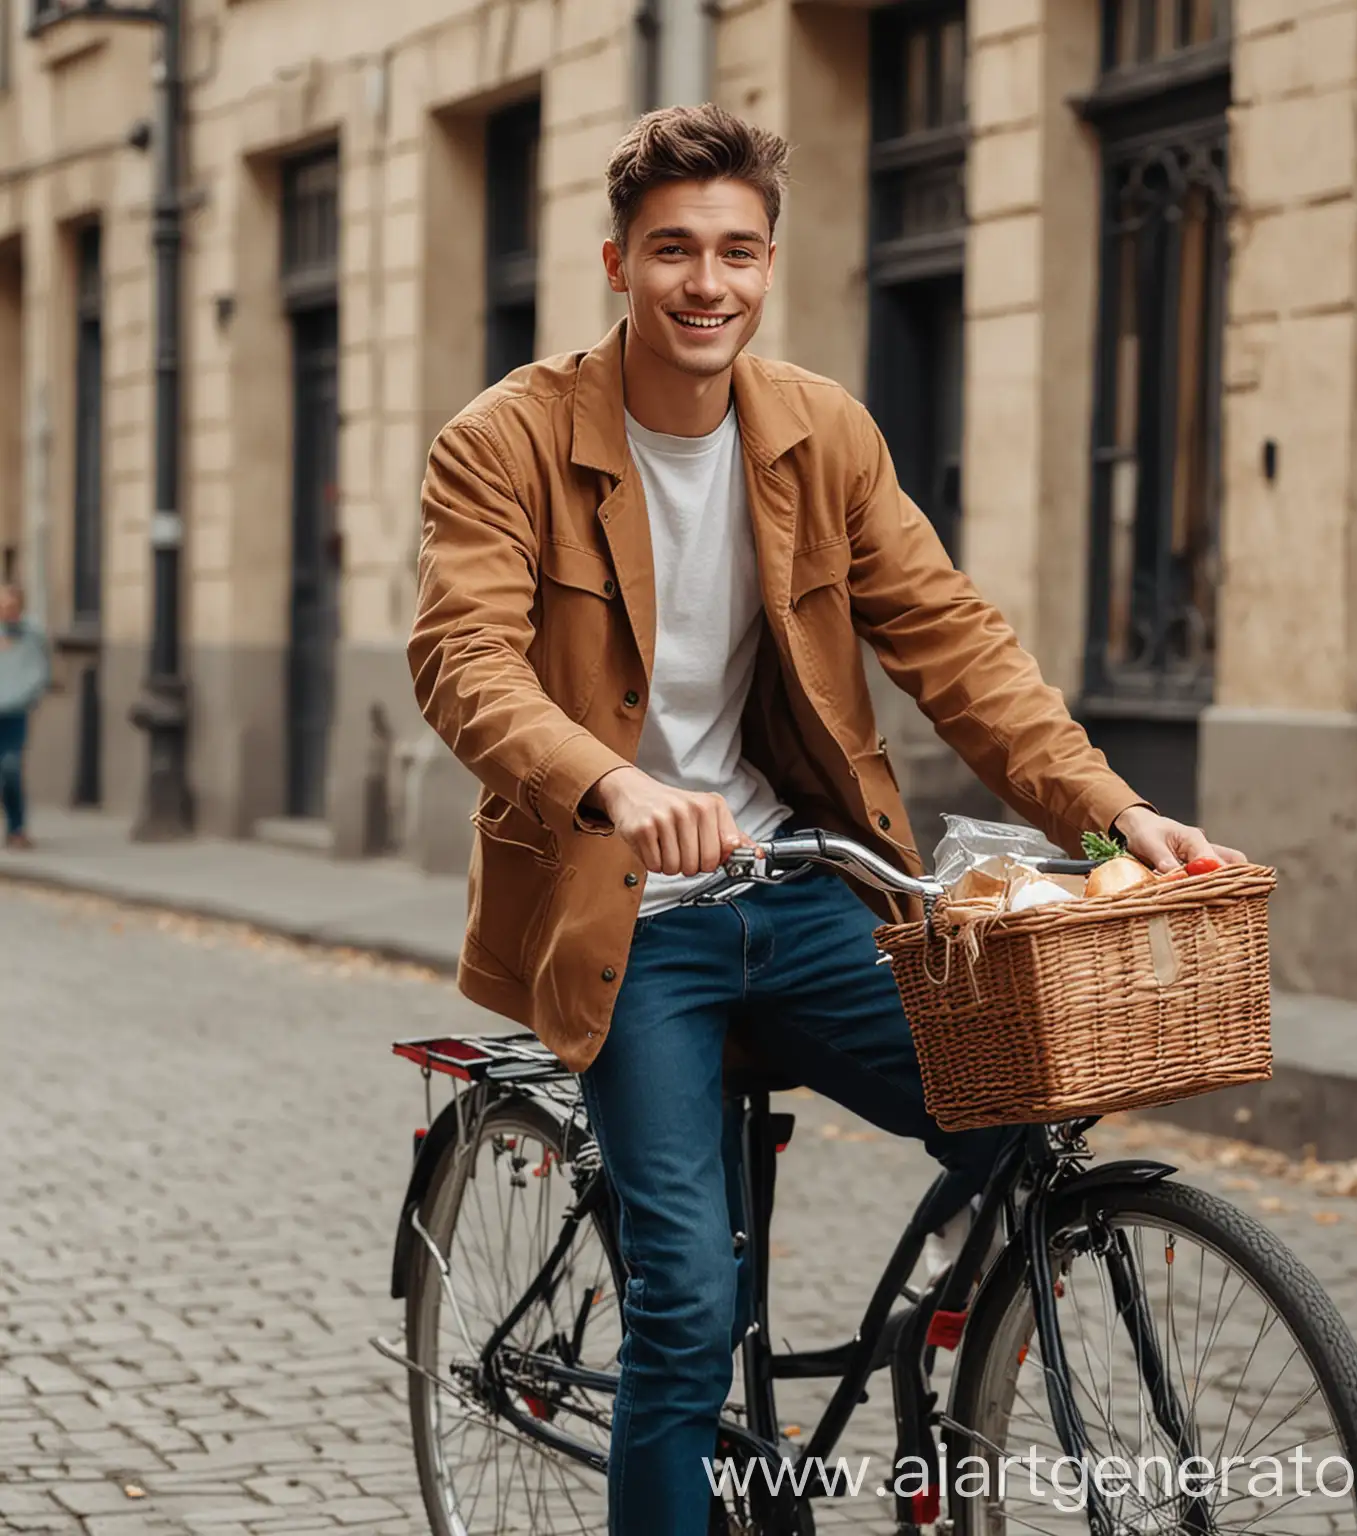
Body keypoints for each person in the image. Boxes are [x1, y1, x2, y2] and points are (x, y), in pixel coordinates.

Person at [410, 103, 1244, 1534]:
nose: (706, 283)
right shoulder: (509, 441)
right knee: (687, 1302)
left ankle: (934, 1392)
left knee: (1019, 1121)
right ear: (619, 262)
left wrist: (1112, 817)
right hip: (630, 920)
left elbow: (958, 648)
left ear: (769, 264)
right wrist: (613, 786)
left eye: (736, 252)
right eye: (673, 250)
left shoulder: (819, 435)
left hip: (800, 888)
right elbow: (463, 659)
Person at [0, 583, 49, 851]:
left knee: (11, 768)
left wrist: (30, 695)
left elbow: (41, 670)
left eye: (11, 606)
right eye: (2, 606)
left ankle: (16, 828)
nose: (7, 612)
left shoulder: (31, 635)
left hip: (15, 713)